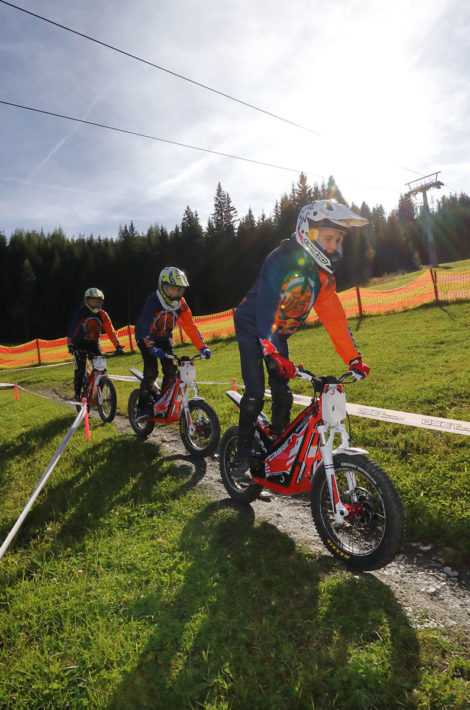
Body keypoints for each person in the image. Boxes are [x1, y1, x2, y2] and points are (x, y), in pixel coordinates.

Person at [232, 199, 371, 475]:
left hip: (277, 332)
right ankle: (243, 454)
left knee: (283, 394)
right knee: (256, 393)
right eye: (329, 238)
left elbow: (335, 319)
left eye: (337, 240)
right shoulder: (280, 259)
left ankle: (275, 448)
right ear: (308, 231)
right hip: (253, 327)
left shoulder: (322, 276)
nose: (333, 246)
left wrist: (353, 358)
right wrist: (270, 351)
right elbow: (267, 306)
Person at [134, 266, 212, 419]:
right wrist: (151, 345)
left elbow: (190, 326)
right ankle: (141, 408)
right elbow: (144, 325)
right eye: (173, 289)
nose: (176, 293)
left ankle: (163, 403)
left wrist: (202, 347)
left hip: (164, 338)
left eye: (180, 290)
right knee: (151, 372)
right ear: (163, 286)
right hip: (146, 338)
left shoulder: (181, 304)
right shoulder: (153, 301)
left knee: (171, 369)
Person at [67, 287, 124, 400]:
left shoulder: (103, 315)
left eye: (97, 301)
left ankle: (98, 394)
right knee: (80, 370)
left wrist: (118, 346)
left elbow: (110, 331)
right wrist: (70, 344)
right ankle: (77, 393)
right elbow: (72, 328)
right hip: (79, 345)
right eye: (92, 301)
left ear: (101, 302)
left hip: (94, 344)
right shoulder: (80, 313)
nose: (95, 304)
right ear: (86, 301)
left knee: (102, 370)